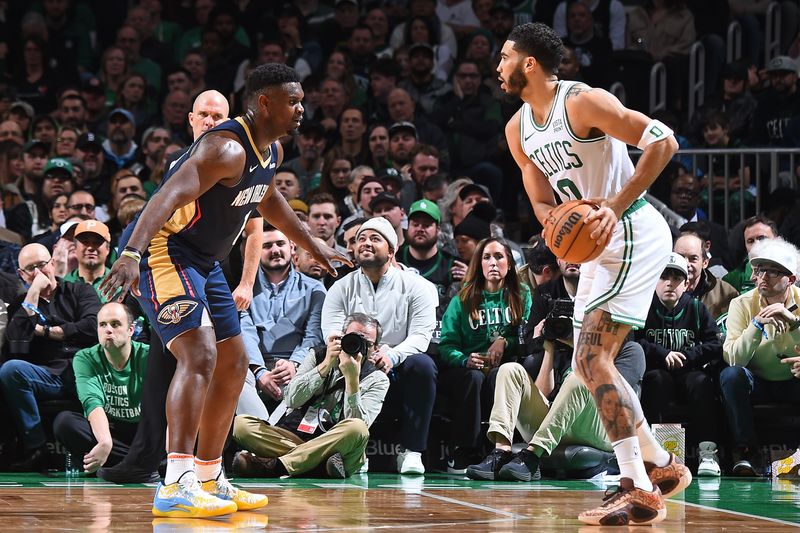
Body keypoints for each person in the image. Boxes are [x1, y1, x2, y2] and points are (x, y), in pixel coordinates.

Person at [98, 64, 349, 518]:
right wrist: (131, 254)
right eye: (293, 101)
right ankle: (175, 481)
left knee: (233, 364)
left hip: (205, 262)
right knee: (200, 355)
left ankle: (210, 475)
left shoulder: (268, 149)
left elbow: (266, 198)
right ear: (264, 103)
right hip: (164, 250)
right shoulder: (225, 148)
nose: (301, 109)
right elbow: (164, 197)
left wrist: (314, 244)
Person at [499, 23, 690, 525]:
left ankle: (636, 485)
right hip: (593, 246)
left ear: (530, 64)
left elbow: (664, 142)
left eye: (505, 57)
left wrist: (611, 206)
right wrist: (558, 226)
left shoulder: (582, 102)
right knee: (587, 366)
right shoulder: (518, 129)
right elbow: (540, 198)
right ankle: (662, 464)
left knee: (591, 355)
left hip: (631, 229)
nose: (497, 67)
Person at [321, 216, 438, 475]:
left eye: (375, 239)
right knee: (328, 358)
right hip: (354, 365)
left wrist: (392, 355)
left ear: (392, 251)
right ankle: (351, 450)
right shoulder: (340, 287)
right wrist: (358, 357)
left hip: (397, 366)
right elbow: (331, 332)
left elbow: (421, 335)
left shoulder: (417, 286)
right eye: (361, 238)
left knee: (423, 365)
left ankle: (411, 451)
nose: (366, 243)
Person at [232, 313, 390, 479]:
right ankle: (316, 464)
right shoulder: (318, 355)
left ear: (376, 349)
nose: (357, 345)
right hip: (301, 439)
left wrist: (352, 379)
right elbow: (292, 399)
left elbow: (359, 424)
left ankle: (278, 466)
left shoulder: (378, 379)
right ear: (341, 337)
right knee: (242, 425)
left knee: (357, 428)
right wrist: (325, 365)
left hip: (338, 446)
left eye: (367, 343)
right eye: (351, 338)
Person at [1, 243, 101, 471]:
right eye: (30, 268)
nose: (38, 272)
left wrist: (47, 332)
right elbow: (17, 342)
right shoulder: (21, 304)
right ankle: (37, 447)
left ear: (53, 264)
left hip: (83, 371)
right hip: (48, 375)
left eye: (42, 265)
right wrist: (33, 292)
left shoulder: (80, 291)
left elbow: (92, 326)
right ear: (21, 275)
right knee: (11, 369)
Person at [438, 237, 531, 473]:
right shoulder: (463, 299)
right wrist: (464, 359)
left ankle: (497, 449)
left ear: (509, 263)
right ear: (478, 264)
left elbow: (528, 338)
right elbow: (446, 345)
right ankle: (464, 449)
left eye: (499, 257)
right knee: (474, 378)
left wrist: (505, 341)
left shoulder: (522, 294)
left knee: (500, 375)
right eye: (486, 257)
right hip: (467, 369)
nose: (492, 262)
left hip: (507, 368)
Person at [635, 254, 724, 477]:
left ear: (686, 284)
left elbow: (715, 343)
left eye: (676, 278)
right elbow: (633, 341)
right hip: (656, 370)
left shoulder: (697, 309)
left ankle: (707, 452)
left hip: (689, 371)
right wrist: (662, 353)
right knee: (655, 380)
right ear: (654, 280)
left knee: (702, 382)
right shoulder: (643, 308)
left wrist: (687, 356)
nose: (670, 283)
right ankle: (653, 455)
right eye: (663, 276)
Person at [720, 237, 800, 477]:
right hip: (759, 382)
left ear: (791, 279)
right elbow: (734, 359)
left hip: (794, 381)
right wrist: (755, 325)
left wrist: (794, 323)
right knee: (731, 375)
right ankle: (747, 452)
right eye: (760, 270)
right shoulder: (741, 304)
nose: (763, 278)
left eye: (773, 272)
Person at [236, 225, 327, 420]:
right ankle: (262, 435)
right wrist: (259, 371)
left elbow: (313, 336)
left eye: (280, 243)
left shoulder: (314, 289)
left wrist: (294, 364)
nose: (275, 250)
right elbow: (246, 332)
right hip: (253, 366)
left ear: (292, 247)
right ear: (256, 251)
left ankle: (261, 442)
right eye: (266, 246)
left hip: (299, 365)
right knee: (233, 373)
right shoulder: (244, 288)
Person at [53, 302, 148, 473]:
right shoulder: (85, 358)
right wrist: (105, 442)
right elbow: (92, 402)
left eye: (116, 324)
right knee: (65, 422)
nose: (108, 330)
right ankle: (141, 464)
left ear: (131, 330)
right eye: (102, 325)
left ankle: (126, 463)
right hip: (110, 431)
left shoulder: (148, 356)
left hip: (143, 431)